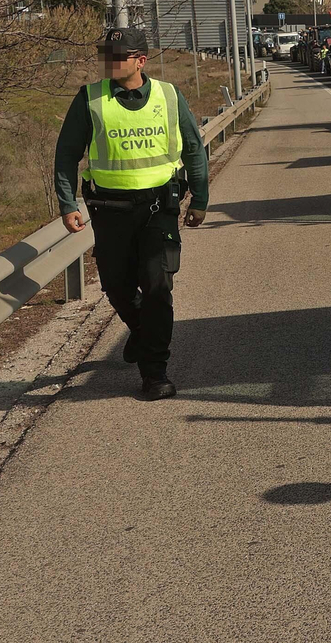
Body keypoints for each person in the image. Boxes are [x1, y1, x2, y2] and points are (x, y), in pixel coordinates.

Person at [54, 28, 209, 400]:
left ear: (140, 61)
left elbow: (193, 148)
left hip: (159, 208)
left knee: (157, 286)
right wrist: (67, 202)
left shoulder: (169, 96)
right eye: (105, 56)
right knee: (117, 286)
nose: (109, 62)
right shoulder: (89, 99)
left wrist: (200, 199)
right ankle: (141, 333)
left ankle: (154, 373)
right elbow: (66, 155)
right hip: (109, 211)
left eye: (117, 56)